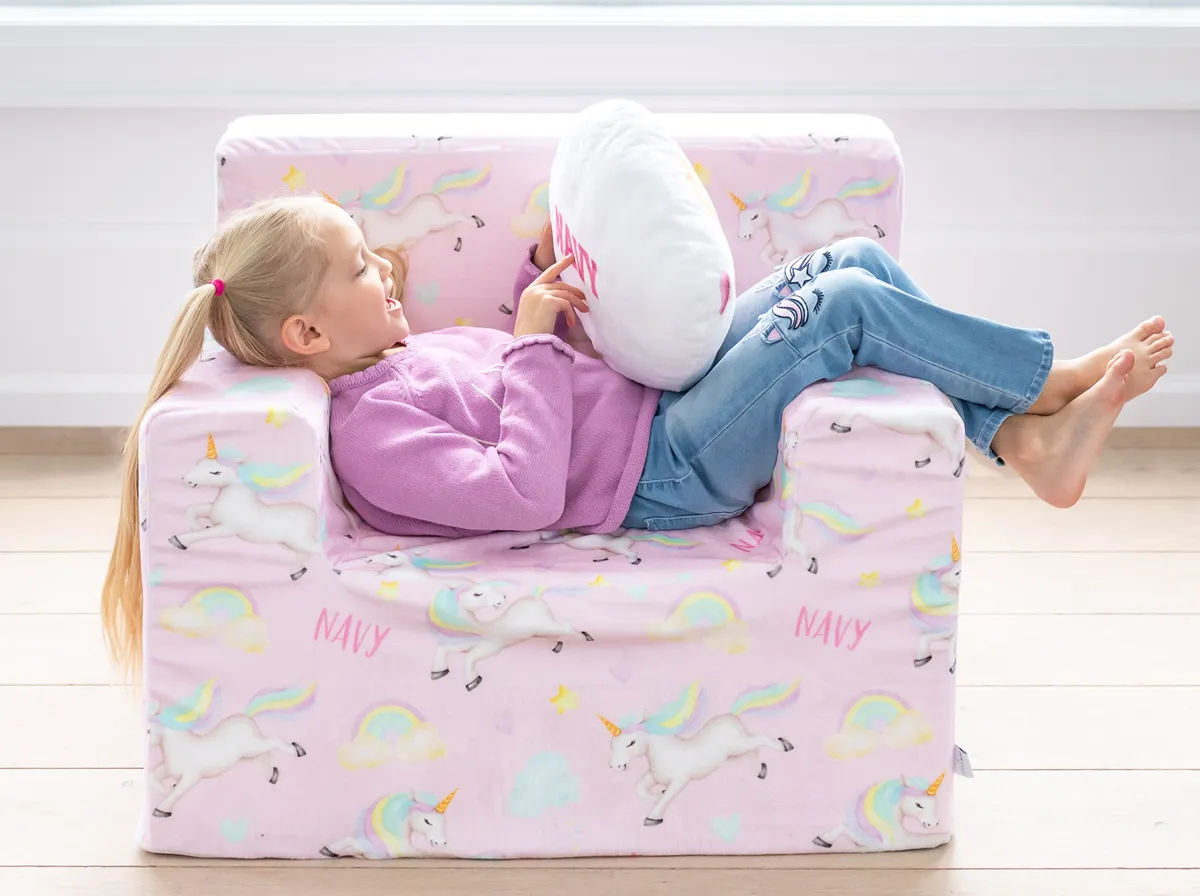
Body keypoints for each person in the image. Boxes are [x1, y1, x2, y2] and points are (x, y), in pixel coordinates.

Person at [101, 193, 1173, 673]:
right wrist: (529, 342)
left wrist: (548, 290)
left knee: (854, 261)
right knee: (844, 313)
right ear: (304, 331)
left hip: (658, 404)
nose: (384, 271)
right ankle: (1046, 383)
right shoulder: (365, 432)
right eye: (357, 268)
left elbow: (527, 383)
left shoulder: (388, 358)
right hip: (664, 471)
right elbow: (519, 493)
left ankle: (1020, 444)